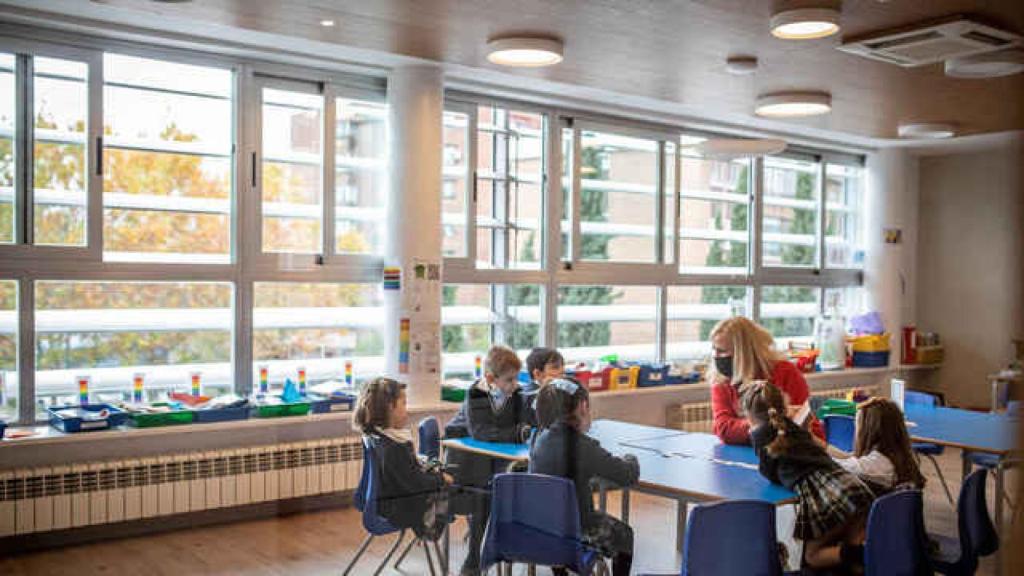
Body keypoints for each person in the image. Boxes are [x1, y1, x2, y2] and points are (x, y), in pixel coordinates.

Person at [744, 381, 875, 570]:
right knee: (851, 544)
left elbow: (769, 472)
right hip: (851, 485)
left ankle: (857, 554)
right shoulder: (792, 426)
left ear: (749, 416)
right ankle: (863, 556)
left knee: (813, 556)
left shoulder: (761, 435)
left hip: (827, 496)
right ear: (783, 405)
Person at [530, 379, 639, 576]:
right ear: (582, 406)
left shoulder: (539, 440)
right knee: (624, 535)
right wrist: (631, 458)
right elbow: (626, 475)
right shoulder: (583, 446)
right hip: (577, 528)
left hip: (542, 526)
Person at [444, 345, 534, 576]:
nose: (515, 385)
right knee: (484, 497)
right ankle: (474, 559)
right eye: (509, 380)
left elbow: (522, 422)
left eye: (517, 379)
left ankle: (503, 547)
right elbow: (481, 432)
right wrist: (517, 432)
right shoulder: (476, 393)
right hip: (466, 461)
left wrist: (523, 426)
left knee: (507, 486)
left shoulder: (514, 393)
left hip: (495, 458)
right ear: (490, 378)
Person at [352, 377, 449, 540]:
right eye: (404, 403)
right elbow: (415, 482)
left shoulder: (380, 436)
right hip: (400, 509)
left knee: (441, 480)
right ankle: (428, 531)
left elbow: (408, 474)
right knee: (455, 492)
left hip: (387, 502)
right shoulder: (394, 448)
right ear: (390, 408)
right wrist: (441, 479)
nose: (407, 409)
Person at [709, 316, 825, 444]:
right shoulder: (721, 380)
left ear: (743, 352)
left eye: (721, 351)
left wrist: (754, 426)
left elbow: (808, 425)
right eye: (714, 349)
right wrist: (773, 422)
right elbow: (723, 428)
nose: (715, 356)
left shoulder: (785, 372)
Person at [830, 397, 926, 493]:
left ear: (870, 431)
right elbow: (849, 457)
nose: (856, 431)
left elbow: (836, 465)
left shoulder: (876, 463)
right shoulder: (901, 455)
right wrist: (819, 444)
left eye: (857, 425)